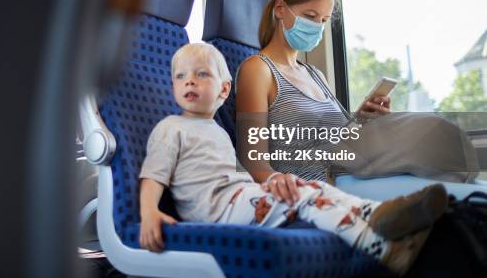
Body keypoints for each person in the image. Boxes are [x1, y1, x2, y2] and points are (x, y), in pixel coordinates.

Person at [139, 43, 447, 276]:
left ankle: (379, 213)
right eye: (180, 77)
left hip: (241, 198)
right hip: (218, 211)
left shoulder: (217, 131)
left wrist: (272, 182)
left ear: (223, 90)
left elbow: (237, 175)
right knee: (302, 197)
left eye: (200, 74)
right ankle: (381, 248)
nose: (189, 81)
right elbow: (154, 176)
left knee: (311, 186)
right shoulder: (171, 128)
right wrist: (149, 212)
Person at [235, 0, 388, 184]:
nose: (317, 27)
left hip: (353, 175)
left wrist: (362, 119)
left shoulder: (316, 75)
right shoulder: (258, 70)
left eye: (323, 20)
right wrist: (294, 190)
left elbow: (337, 145)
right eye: (310, 16)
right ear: (280, 9)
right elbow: (254, 162)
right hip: (319, 190)